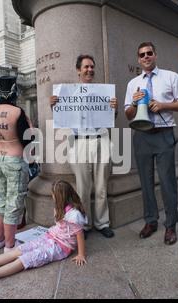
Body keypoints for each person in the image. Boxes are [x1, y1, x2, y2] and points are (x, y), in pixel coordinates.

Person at [124, 42, 178, 245]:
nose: (146, 57)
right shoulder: (133, 83)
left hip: (163, 133)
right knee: (145, 182)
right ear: (138, 59)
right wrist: (135, 103)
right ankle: (151, 221)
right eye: (142, 54)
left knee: (167, 182)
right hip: (142, 135)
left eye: (149, 53)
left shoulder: (170, 77)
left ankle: (170, 225)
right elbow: (128, 114)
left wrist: (163, 105)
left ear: (155, 54)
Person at [0, 180, 87, 285]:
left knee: (24, 260)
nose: (52, 196)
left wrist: (81, 254)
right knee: (19, 250)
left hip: (60, 247)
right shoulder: (61, 206)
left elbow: (79, 234)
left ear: (60, 197)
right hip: (50, 237)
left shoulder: (74, 215)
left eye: (53, 194)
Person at [50, 54, 118, 239]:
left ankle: (102, 223)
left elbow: (113, 118)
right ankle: (85, 224)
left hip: (101, 139)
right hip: (79, 140)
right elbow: (62, 116)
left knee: (102, 185)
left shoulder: (103, 93)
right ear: (78, 70)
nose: (90, 70)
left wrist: (115, 108)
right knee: (82, 187)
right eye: (86, 67)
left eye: (92, 67)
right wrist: (54, 106)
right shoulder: (68, 94)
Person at [0, 76, 31, 251]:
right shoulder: (17, 112)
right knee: (14, 203)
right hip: (15, 160)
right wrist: (29, 124)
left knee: (2, 202)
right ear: (13, 91)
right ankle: (9, 245)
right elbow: (27, 140)